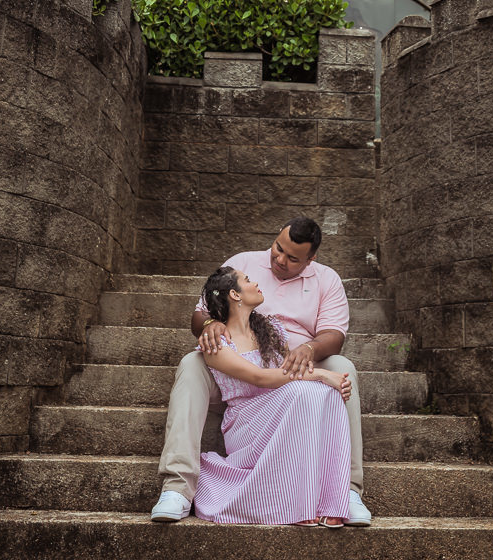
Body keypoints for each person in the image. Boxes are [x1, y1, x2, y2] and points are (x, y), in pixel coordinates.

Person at [151, 216, 372, 526]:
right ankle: (177, 486)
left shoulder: (326, 280)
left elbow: (334, 335)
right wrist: (210, 324)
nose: (279, 260)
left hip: (293, 362)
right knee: (191, 363)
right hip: (237, 364)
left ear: (311, 259)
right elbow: (204, 309)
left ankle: (346, 490)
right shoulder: (243, 263)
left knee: (342, 368)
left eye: (292, 258)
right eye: (277, 248)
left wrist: (308, 350)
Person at [191, 265, 352, 525]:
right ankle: (296, 506)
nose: (256, 283)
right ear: (235, 294)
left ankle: (330, 502)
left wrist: (325, 382)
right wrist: (323, 375)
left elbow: (292, 369)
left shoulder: (271, 330)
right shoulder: (216, 343)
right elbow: (260, 378)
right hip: (246, 422)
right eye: (248, 280)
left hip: (281, 407)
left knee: (326, 395)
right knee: (305, 389)